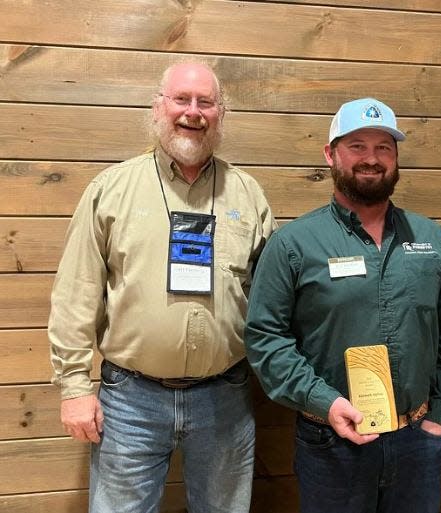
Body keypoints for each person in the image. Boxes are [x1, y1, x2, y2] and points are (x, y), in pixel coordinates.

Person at [48, 62, 276, 513]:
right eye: (181, 99)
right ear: (158, 107)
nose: (193, 112)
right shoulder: (111, 189)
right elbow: (77, 291)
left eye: (205, 102)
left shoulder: (248, 194)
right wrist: (74, 387)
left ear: (220, 114)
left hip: (224, 398)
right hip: (130, 401)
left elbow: (271, 300)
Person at [244, 97, 441, 513]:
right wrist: (324, 401)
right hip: (330, 443)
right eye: (357, 146)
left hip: (416, 440)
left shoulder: (430, 238)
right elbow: (265, 339)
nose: (372, 159)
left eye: (384, 147)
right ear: (330, 154)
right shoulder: (293, 244)